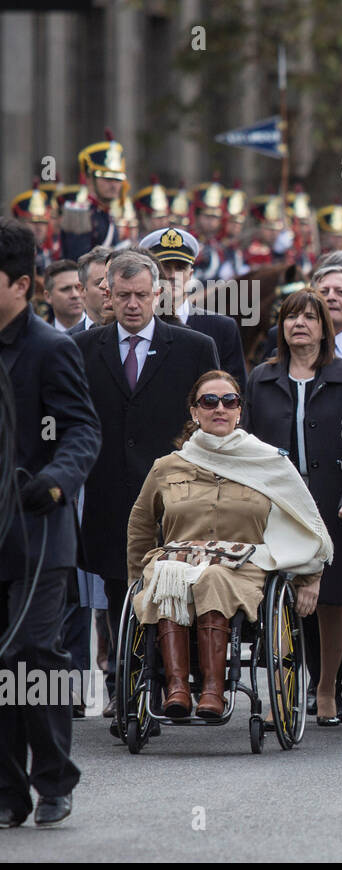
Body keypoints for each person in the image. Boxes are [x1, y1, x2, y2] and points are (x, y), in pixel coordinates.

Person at [125, 370, 328, 721]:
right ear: (194, 411)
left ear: (239, 410)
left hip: (241, 569)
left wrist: (309, 576)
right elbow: (141, 526)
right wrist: (137, 578)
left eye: (229, 401)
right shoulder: (167, 467)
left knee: (212, 578)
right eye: (209, 401)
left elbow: (303, 522)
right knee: (168, 575)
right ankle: (176, 689)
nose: (219, 408)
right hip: (177, 562)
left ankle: (213, 691)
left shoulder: (268, 463)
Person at [74, 250, 219, 726]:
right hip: (110, 495)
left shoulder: (194, 347)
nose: (133, 304)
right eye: (123, 295)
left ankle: (165, 684)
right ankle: (127, 692)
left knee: (172, 591)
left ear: (158, 294)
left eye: (142, 295)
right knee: (120, 594)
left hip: (175, 497)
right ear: (107, 295)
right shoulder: (83, 349)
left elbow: (213, 421)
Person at [0, 217, 101, 829]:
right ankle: (8, 791)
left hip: (38, 532)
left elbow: (83, 429)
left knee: (35, 653)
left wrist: (57, 478)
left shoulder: (50, 348)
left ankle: (55, 780)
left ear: (20, 285)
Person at [243, 289, 342, 725]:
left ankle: (325, 692)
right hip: (276, 505)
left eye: (309, 317)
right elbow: (244, 442)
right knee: (277, 600)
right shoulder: (261, 379)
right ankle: (283, 692)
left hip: (333, 503)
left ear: (325, 327)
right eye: (290, 317)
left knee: (330, 600)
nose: (299, 324)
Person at [139, 227, 247, 390]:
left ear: (190, 274)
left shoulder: (222, 328)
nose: (173, 275)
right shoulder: (135, 323)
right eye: (165, 267)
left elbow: (237, 394)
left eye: (181, 268)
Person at [60, 133, 126, 261]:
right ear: (90, 179)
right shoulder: (79, 213)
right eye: (107, 178)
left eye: (117, 179)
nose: (113, 185)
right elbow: (77, 262)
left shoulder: (107, 214)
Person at [42, 261, 84, 334]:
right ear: (48, 296)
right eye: (65, 289)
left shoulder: (102, 332)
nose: (75, 295)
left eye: (78, 287)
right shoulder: (42, 339)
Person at [76, 248, 112, 329]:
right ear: (82, 289)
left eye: (112, 283)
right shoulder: (69, 340)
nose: (108, 290)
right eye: (99, 283)